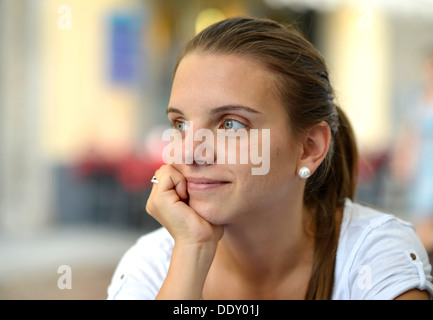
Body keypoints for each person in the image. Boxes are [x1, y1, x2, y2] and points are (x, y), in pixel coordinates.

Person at [107, 17, 433, 300]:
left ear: (309, 147)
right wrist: (191, 253)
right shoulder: (153, 264)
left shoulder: (373, 255)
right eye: (179, 124)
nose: (189, 152)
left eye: (231, 124)